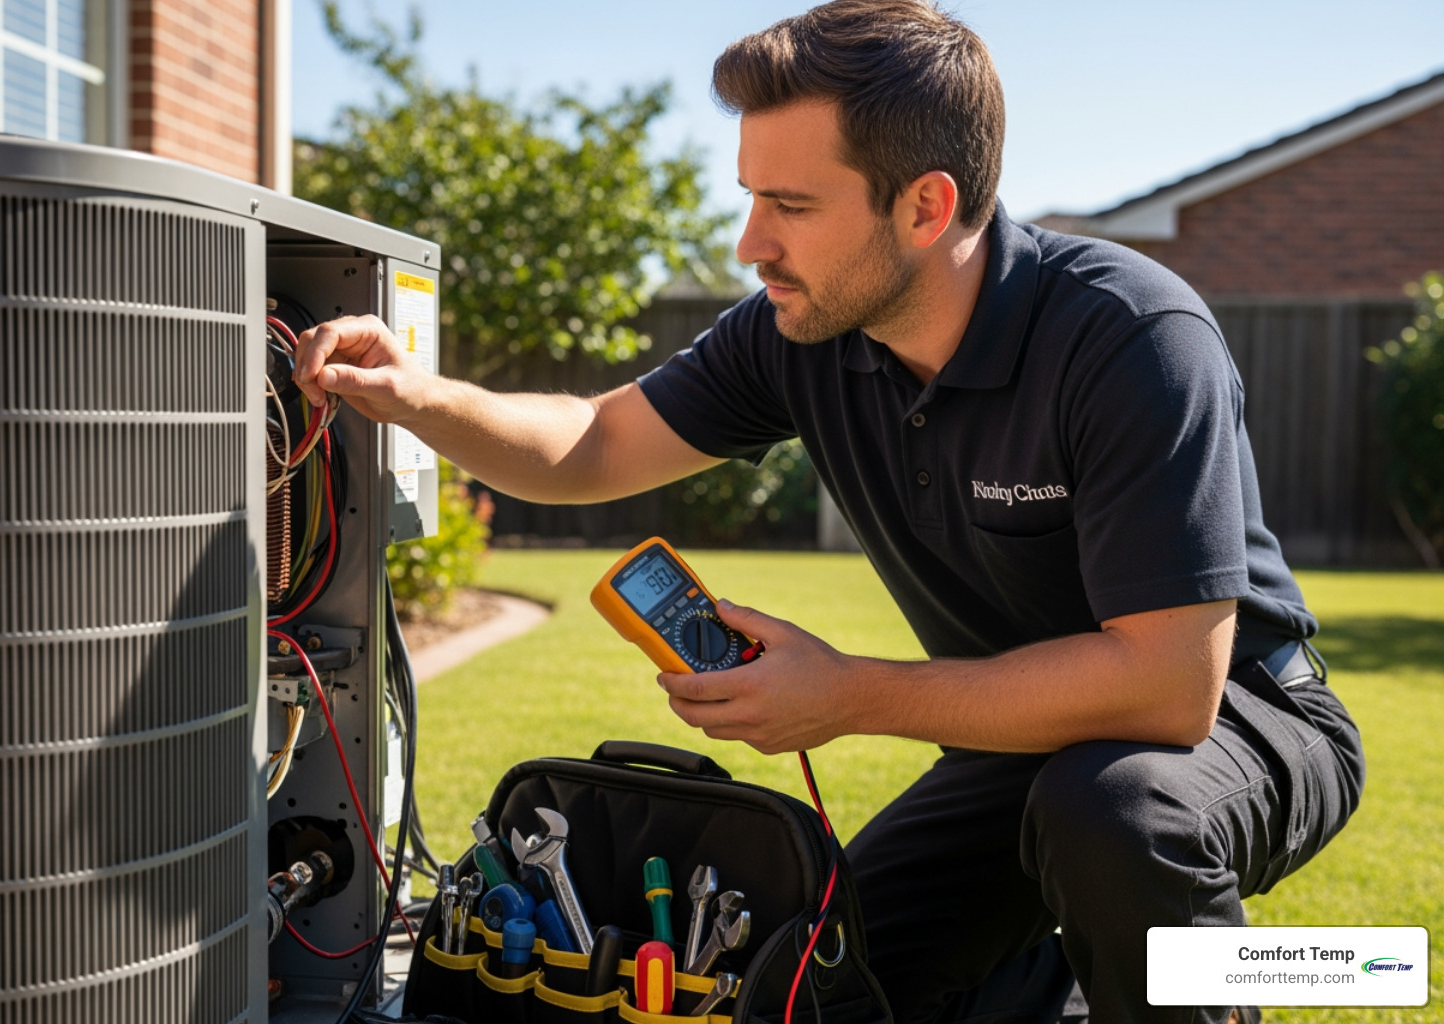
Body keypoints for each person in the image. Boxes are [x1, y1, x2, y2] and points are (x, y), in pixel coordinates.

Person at [293, 3, 1364, 1021]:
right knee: (816, 983)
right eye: (751, 196)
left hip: (1244, 718)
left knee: (1115, 812)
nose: (751, 243)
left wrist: (847, 693)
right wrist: (419, 396)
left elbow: (1169, 689)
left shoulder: (1130, 337)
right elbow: (597, 440)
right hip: (1019, 745)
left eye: (792, 207)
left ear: (926, 206)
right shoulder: (797, 337)